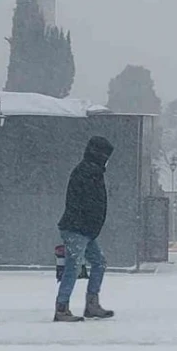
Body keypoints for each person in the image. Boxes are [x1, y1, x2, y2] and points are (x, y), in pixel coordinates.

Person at [55, 136, 116, 322]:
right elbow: (85, 203)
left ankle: (91, 304)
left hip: (84, 229)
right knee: (74, 266)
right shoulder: (87, 172)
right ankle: (62, 307)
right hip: (78, 228)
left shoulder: (91, 171)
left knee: (98, 262)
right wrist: (88, 224)